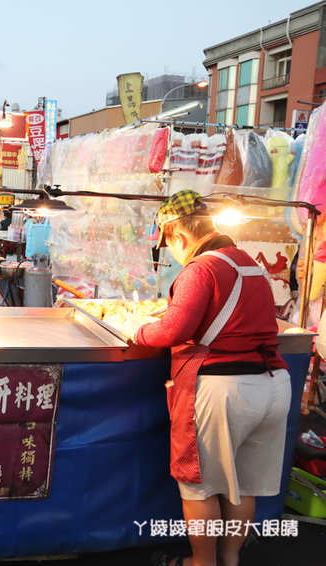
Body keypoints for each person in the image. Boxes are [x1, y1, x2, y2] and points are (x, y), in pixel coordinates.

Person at [124, 189, 291, 566]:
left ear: (178, 237)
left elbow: (173, 330)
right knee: (242, 484)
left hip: (225, 391)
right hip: (272, 384)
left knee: (199, 487)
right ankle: (230, 558)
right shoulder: (250, 264)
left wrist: (139, 330)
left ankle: (202, 563)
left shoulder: (201, 269)